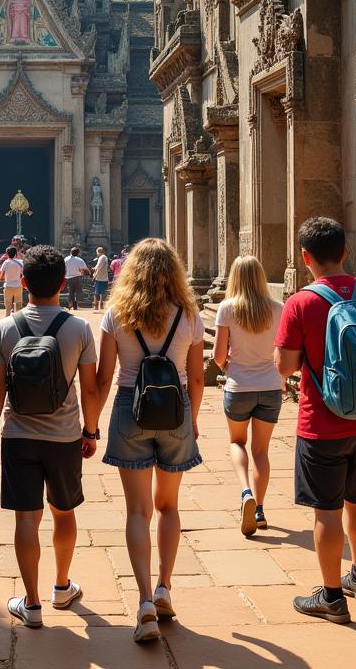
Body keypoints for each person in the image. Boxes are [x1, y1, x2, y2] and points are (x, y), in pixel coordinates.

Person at [275, 216, 356, 624]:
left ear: (304, 257)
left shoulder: (302, 302)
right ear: (345, 252)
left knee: (326, 512)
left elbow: (285, 367)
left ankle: (330, 596)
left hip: (322, 423)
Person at [0, 245, 99, 628]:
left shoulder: (4, 328)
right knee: (64, 514)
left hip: (18, 435)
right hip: (64, 437)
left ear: (23, 281)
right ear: (64, 283)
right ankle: (62, 586)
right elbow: (91, 390)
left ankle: (31, 603)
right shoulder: (78, 327)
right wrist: (91, 431)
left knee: (25, 519)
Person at [95, 238, 205, 643]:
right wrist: (191, 419)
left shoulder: (116, 314)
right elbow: (196, 376)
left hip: (130, 407)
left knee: (137, 511)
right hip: (175, 408)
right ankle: (164, 588)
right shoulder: (189, 315)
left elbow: (104, 377)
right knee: (169, 506)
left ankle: (143, 601)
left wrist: (92, 422)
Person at [214, 255, 284, 537]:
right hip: (270, 386)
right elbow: (283, 351)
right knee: (261, 451)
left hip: (239, 386)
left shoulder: (227, 309)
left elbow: (219, 356)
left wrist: (229, 366)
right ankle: (260, 509)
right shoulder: (279, 308)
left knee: (237, 442)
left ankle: (245, 492)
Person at [0, 245, 25, 315]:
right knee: (18, 306)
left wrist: (3, 278)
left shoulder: (6, 262)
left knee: (8, 307)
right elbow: (23, 275)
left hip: (8, 286)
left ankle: (7, 320)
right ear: (16, 253)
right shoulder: (21, 262)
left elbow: (1, 275)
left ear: (7, 254)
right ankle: (18, 321)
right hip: (18, 286)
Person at [91, 246, 110, 311]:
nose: (97, 254)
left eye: (97, 252)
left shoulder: (102, 257)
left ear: (98, 252)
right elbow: (98, 266)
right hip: (104, 277)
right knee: (103, 292)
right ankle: (101, 305)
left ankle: (96, 306)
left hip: (99, 277)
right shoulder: (105, 257)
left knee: (96, 292)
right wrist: (94, 268)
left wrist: (94, 275)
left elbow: (99, 266)